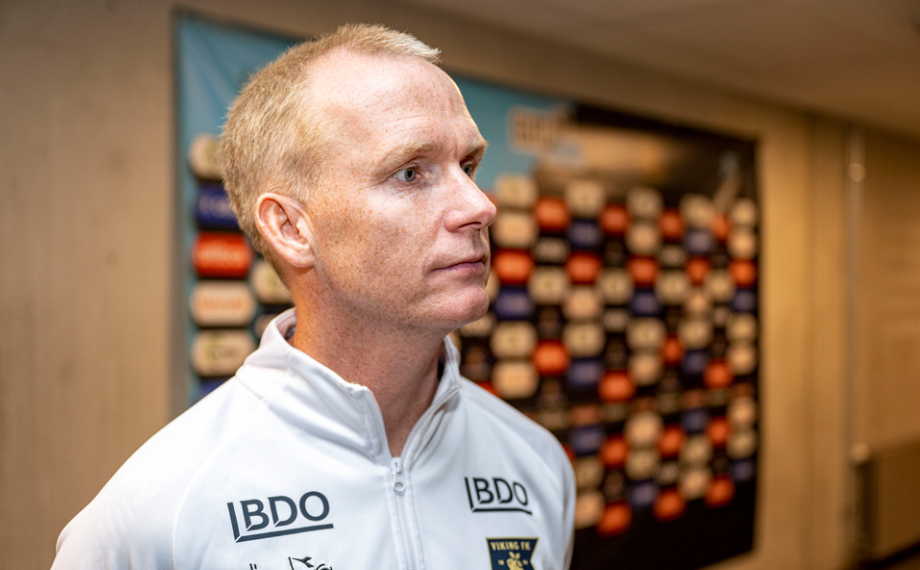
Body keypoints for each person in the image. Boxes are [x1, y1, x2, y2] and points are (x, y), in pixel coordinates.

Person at [51, 23, 575, 570]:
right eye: (411, 172)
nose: (479, 205)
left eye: (468, 166)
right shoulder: (155, 517)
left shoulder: (535, 464)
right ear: (291, 229)